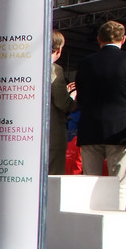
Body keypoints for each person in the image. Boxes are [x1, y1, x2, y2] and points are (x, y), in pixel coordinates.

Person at [74, 20, 126, 208]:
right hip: (122, 131)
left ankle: (90, 220)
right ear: (123, 39)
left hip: (90, 129)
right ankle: (116, 221)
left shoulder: (86, 63)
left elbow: (81, 96)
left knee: (90, 183)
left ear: (99, 39)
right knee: (119, 185)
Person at [49, 29, 75, 176]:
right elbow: (62, 103)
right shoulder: (55, 70)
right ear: (58, 50)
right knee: (52, 177)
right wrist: (72, 96)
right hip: (52, 134)